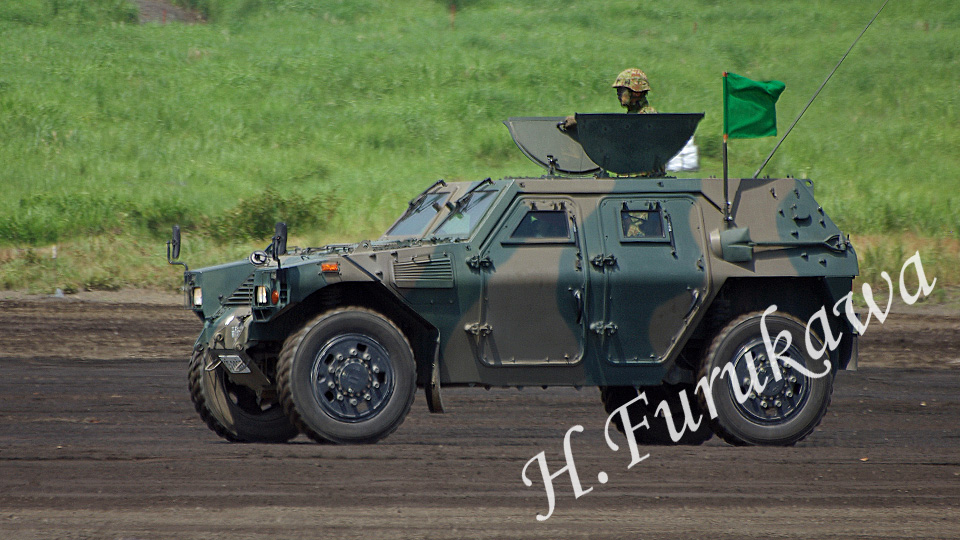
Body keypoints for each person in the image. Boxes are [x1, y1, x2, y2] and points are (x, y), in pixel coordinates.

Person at [560, 68, 656, 131]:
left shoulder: (647, 115)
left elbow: (617, 129)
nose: (618, 94)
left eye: (622, 90)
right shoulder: (634, 114)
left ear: (636, 92)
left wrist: (583, 122)